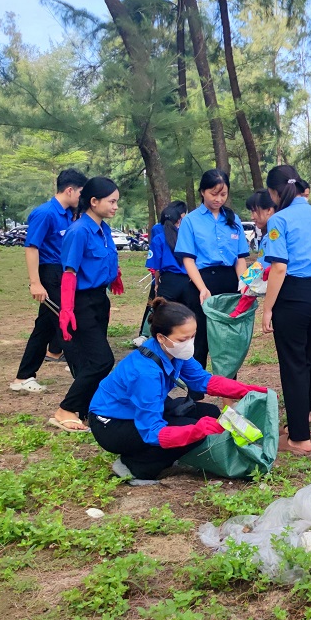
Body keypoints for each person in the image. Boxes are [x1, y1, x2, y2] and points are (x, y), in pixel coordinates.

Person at [88, 297, 267, 483]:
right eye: (183, 338)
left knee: (211, 413)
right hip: (111, 425)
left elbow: (202, 380)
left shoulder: (172, 349)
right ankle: (134, 466)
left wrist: (246, 390)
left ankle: (163, 452)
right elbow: (152, 431)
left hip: (137, 411)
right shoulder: (145, 373)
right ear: (161, 337)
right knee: (194, 432)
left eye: (193, 336)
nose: (189, 343)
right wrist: (196, 432)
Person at [261, 165, 311, 455]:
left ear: (274, 192)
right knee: (308, 354)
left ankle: (298, 438)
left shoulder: (278, 220)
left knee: (293, 364)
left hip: (293, 294)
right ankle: (301, 420)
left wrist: (268, 308)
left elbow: (279, 267)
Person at [51, 177, 123, 432]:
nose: (115, 206)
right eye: (111, 201)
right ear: (94, 201)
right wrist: (67, 310)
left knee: (89, 360)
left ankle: (86, 411)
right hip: (80, 302)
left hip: (99, 300)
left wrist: (115, 277)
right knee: (102, 360)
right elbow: (69, 273)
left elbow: (106, 259)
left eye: (116, 202)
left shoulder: (103, 229)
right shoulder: (78, 231)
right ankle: (65, 409)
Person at [11, 168, 87, 394]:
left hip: (60, 275)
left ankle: (23, 377)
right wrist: (35, 282)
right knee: (66, 324)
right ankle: (85, 378)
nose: (82, 199)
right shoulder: (45, 213)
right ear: (70, 190)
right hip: (49, 274)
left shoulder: (66, 214)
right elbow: (31, 248)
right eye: (81, 193)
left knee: (44, 328)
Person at [175, 169, 250, 392]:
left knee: (228, 338)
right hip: (202, 282)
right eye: (213, 194)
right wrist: (202, 288)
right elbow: (188, 259)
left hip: (230, 283)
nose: (218, 199)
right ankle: (194, 395)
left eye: (223, 194)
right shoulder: (190, 221)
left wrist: (243, 284)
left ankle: (229, 389)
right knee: (200, 339)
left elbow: (240, 258)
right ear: (202, 192)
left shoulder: (232, 219)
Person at [137, 201, 188, 344]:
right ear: (179, 220)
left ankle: (155, 340)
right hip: (187, 280)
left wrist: (157, 283)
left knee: (161, 312)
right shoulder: (186, 235)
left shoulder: (159, 238)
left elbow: (156, 267)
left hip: (168, 280)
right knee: (185, 312)